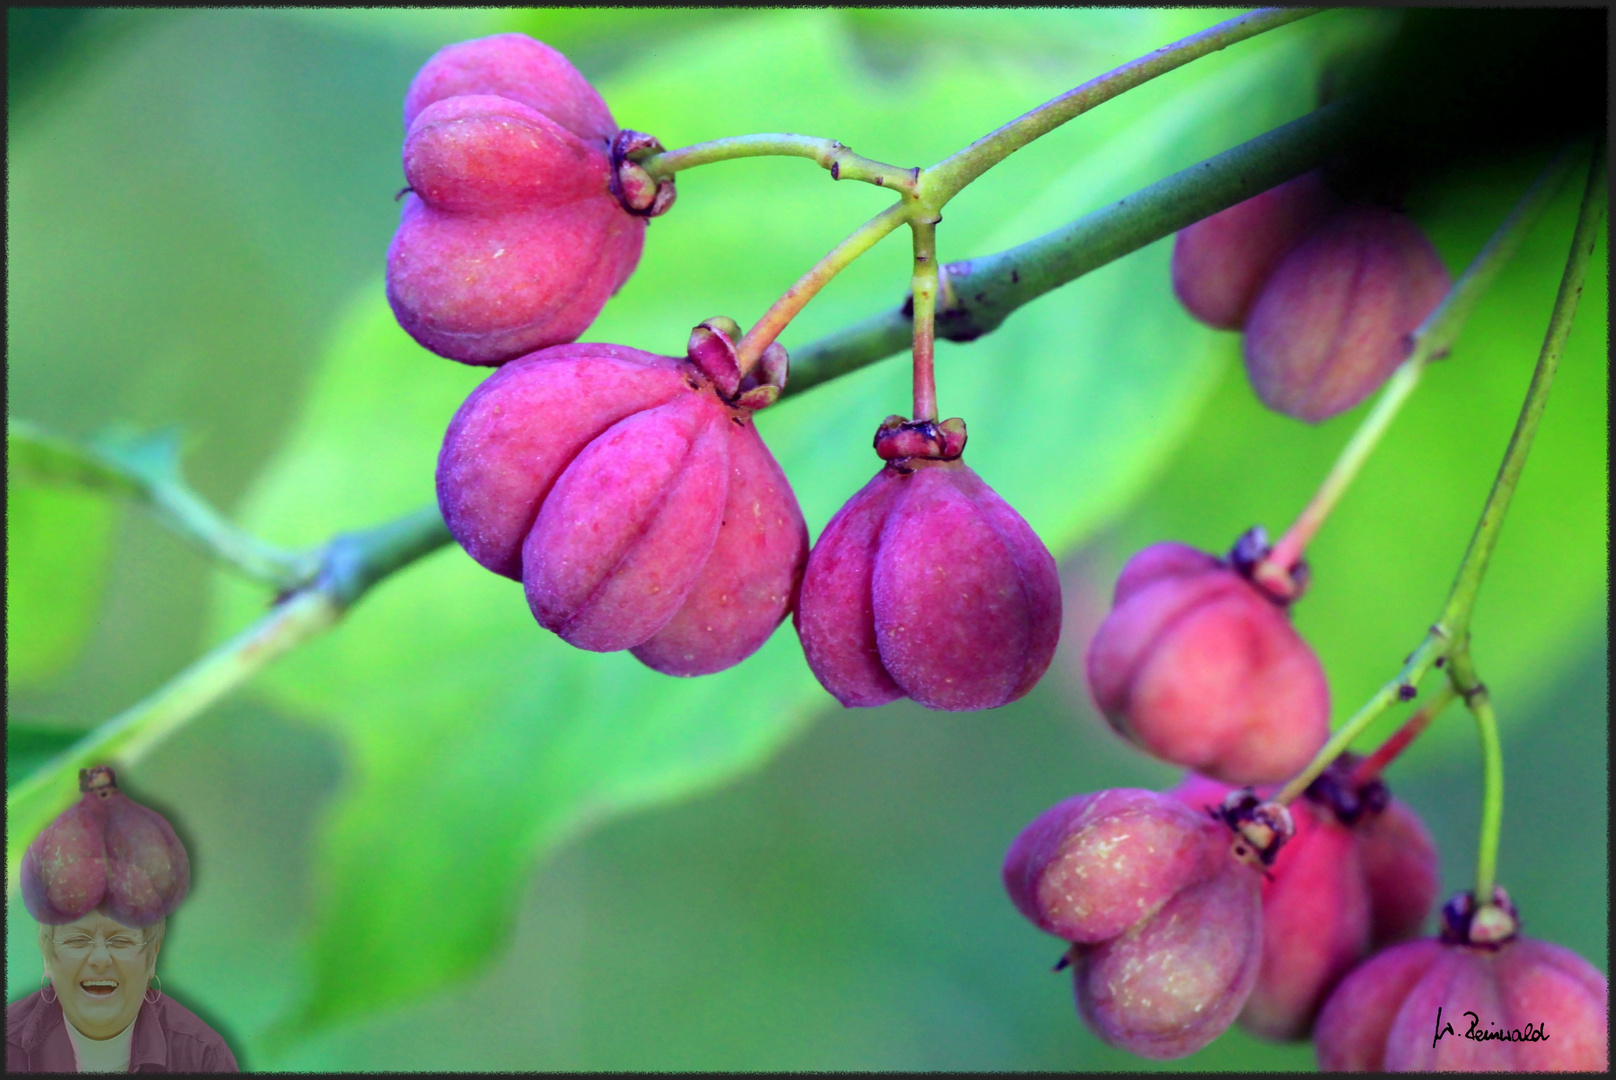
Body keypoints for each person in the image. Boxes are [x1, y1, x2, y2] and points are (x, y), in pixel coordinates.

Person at [6, 909, 238, 1072]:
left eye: (121, 940)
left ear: (152, 956)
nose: (100, 959)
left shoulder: (202, 1056)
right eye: (78, 939)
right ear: (47, 956)